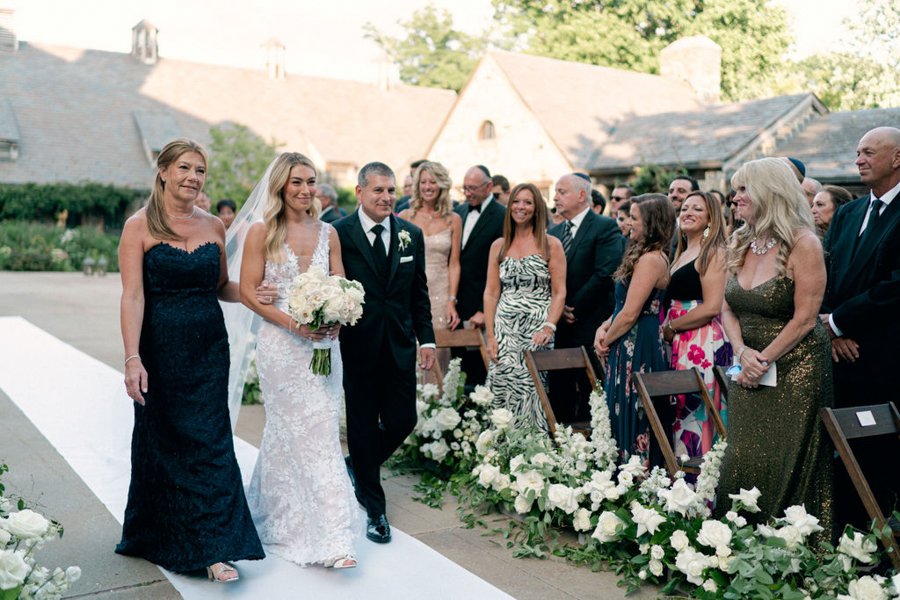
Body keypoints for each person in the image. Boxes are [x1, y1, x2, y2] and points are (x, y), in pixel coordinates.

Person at [117, 138, 265, 582]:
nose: (193, 177)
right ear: (162, 171)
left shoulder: (215, 227)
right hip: (160, 351)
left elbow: (222, 286)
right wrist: (132, 358)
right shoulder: (138, 226)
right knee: (163, 444)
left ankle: (216, 545)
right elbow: (132, 296)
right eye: (184, 167)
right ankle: (158, 533)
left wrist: (260, 293)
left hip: (208, 350)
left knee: (211, 443)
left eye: (200, 170)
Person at [238, 152, 359, 569]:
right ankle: (329, 539)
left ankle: (313, 526)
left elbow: (343, 284)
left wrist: (341, 315)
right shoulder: (262, 231)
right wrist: (294, 325)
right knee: (292, 430)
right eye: (297, 183)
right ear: (281, 187)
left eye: (310, 181)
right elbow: (250, 292)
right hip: (282, 347)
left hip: (324, 346)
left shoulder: (330, 232)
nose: (306, 189)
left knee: (322, 430)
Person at [717, 157, 832, 532]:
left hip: (796, 370)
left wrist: (762, 359)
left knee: (785, 460)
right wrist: (741, 353)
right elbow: (726, 308)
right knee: (742, 455)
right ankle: (731, 540)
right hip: (749, 368)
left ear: (769, 191)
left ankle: (786, 548)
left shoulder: (805, 243)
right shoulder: (739, 240)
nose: (735, 198)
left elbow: (805, 318)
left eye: (743, 189)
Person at [334, 162, 435, 544]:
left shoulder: (411, 235)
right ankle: (375, 509)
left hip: (398, 345)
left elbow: (418, 293)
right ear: (360, 193)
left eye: (391, 190)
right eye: (378, 190)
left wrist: (426, 339)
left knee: (402, 420)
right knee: (360, 424)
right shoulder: (338, 234)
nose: (387, 197)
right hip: (357, 346)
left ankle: (358, 465)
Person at [822, 126, 900, 529]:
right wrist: (831, 330)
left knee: (881, 454)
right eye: (857, 152)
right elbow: (825, 274)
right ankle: (842, 535)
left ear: (897, 158)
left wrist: (839, 321)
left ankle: (878, 538)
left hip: (886, 357)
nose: (859, 159)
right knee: (841, 448)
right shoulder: (849, 212)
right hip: (840, 355)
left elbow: (895, 286)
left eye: (869, 152)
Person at [594, 194, 674, 465]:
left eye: (635, 217)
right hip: (625, 337)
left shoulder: (652, 259)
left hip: (636, 343)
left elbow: (630, 314)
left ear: (652, 223)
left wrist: (607, 341)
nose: (629, 222)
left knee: (634, 408)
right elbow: (621, 307)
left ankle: (634, 479)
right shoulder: (641, 253)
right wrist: (603, 328)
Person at [484, 183, 566, 432]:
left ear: (537, 207)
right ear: (510, 207)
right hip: (505, 328)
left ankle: (532, 455)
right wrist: (490, 335)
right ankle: (498, 452)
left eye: (528, 202)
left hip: (537, 329)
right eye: (517, 202)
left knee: (532, 387)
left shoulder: (551, 244)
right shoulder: (498, 245)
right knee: (500, 384)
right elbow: (490, 292)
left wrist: (549, 327)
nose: (521, 207)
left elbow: (559, 292)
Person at [548, 174, 624, 422]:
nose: (555, 197)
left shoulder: (604, 226)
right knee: (561, 393)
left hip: (590, 323)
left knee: (593, 393)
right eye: (555, 192)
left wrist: (573, 306)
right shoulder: (554, 231)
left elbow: (605, 273)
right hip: (560, 328)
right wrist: (557, 309)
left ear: (582, 195)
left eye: (562, 192)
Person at [663, 191, 731, 462]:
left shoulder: (713, 252)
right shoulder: (680, 252)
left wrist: (672, 327)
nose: (688, 212)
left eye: (698, 210)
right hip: (680, 339)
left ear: (711, 219)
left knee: (696, 411)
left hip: (701, 341)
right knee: (678, 409)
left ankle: (702, 488)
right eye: (685, 208)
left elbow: (712, 307)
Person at [398, 161, 462, 377]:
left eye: (433, 181)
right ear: (417, 185)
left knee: (438, 351)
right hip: (411, 290)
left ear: (442, 185)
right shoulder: (406, 216)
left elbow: (454, 263)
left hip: (440, 293)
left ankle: (438, 407)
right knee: (412, 347)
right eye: (423, 182)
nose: (428, 186)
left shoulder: (454, 220)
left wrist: (452, 301)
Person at [454, 165, 505, 386]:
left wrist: (486, 310)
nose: (467, 193)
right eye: (464, 188)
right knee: (457, 369)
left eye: (472, 188)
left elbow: (506, 268)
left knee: (480, 371)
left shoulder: (503, 216)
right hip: (458, 304)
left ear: (489, 187)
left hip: (484, 305)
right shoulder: (460, 212)